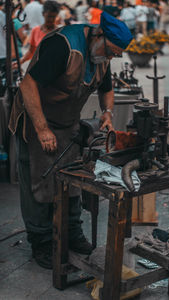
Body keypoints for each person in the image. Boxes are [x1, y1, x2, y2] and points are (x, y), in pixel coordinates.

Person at [8, 11, 132, 269]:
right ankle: (41, 241)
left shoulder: (101, 55)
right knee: (40, 184)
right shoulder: (64, 45)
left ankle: (72, 233)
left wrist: (107, 113)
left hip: (67, 123)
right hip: (36, 118)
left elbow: (106, 89)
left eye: (115, 54)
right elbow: (28, 85)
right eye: (111, 51)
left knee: (72, 180)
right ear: (99, 34)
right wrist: (42, 129)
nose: (110, 57)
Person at [13, 0, 60, 68]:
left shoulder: (60, 31)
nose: (51, 20)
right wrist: (21, 61)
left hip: (56, 69)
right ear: (43, 14)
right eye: (49, 16)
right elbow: (31, 51)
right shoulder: (36, 30)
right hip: (40, 68)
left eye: (54, 17)